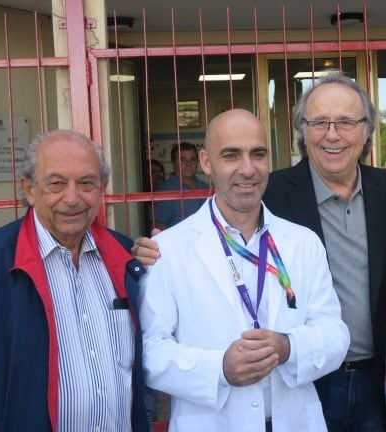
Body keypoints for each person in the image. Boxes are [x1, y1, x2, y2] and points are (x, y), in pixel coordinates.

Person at [0, 130, 149, 431]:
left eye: (86, 183)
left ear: (101, 188)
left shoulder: (124, 258)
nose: (72, 198)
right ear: (29, 189)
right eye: (56, 184)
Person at [139, 108, 350, 431]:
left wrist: (288, 346)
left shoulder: (303, 243)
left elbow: (334, 334)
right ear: (207, 162)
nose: (247, 169)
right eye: (231, 155)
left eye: (258, 154)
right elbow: (151, 353)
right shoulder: (169, 250)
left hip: (294, 420)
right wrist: (218, 369)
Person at [261, 71, 386, 431]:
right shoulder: (269, 196)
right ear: (302, 132)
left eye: (346, 122)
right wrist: (154, 249)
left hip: (380, 381)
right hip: (303, 381)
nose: (332, 135)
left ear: (367, 130)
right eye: (319, 122)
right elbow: (214, 240)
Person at [153, 141, 210, 229]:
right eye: (182, 160)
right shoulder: (165, 191)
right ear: (173, 163)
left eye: (192, 159)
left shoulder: (205, 187)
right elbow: (158, 227)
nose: (188, 164)